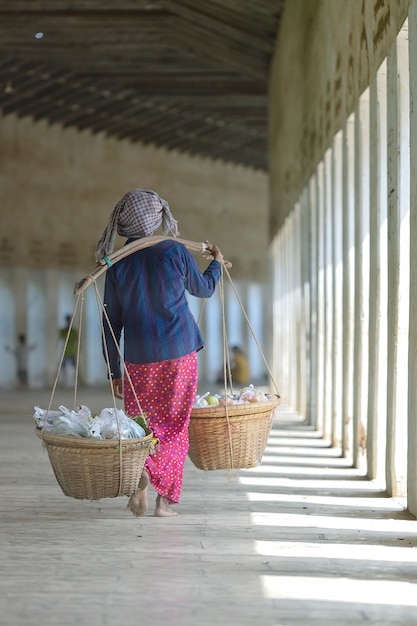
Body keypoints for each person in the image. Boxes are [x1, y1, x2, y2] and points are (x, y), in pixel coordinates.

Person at [96, 188, 223, 517]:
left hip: (138, 360)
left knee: (142, 426)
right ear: (156, 219)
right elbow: (203, 289)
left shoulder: (117, 264)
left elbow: (111, 323)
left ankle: (140, 478)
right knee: (176, 427)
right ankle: (163, 502)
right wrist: (217, 265)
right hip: (179, 353)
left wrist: (113, 371)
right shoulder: (173, 251)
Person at [58, 315, 78, 385]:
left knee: (76, 367)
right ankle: (62, 381)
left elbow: (78, 340)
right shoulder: (63, 331)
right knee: (63, 367)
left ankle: (77, 381)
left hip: (72, 351)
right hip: (65, 351)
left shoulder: (74, 331)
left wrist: (79, 349)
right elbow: (59, 339)